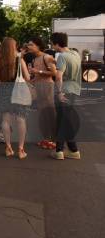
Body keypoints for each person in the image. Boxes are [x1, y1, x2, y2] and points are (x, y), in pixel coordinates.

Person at [0, 37, 31, 159]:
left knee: (5, 120)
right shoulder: (19, 60)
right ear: (13, 46)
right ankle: (21, 150)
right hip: (18, 92)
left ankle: (8, 148)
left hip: (4, 91)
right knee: (21, 119)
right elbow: (27, 77)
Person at [50, 32, 82, 160]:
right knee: (65, 120)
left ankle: (59, 151)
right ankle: (73, 150)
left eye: (52, 43)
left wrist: (59, 92)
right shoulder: (76, 55)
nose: (52, 46)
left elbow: (58, 76)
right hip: (74, 90)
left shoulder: (62, 57)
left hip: (64, 90)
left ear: (57, 43)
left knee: (61, 121)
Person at [26, 37, 57, 150]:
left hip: (48, 87)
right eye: (28, 45)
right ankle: (46, 138)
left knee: (50, 114)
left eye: (31, 44)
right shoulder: (35, 59)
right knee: (42, 114)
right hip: (39, 87)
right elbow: (37, 77)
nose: (29, 47)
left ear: (38, 46)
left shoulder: (47, 57)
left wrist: (37, 71)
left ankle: (54, 139)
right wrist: (29, 81)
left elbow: (53, 73)